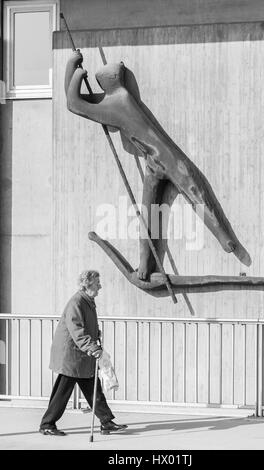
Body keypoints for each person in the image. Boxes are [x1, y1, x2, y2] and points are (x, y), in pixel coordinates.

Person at [65, 50, 251, 280]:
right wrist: (72, 68)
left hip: (166, 158)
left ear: (109, 81)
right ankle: (145, 263)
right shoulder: (117, 99)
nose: (98, 85)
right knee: (150, 213)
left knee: (196, 193)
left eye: (99, 81)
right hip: (153, 161)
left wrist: (75, 69)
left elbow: (74, 103)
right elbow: (77, 102)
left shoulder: (118, 103)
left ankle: (225, 239)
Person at [39, 270, 127, 436]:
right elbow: (77, 330)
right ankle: (47, 424)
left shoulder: (87, 301)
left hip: (82, 356)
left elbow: (86, 325)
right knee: (62, 392)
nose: (100, 286)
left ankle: (106, 421)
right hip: (72, 356)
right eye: (97, 283)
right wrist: (93, 347)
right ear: (87, 284)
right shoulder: (77, 302)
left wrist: (96, 334)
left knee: (94, 389)